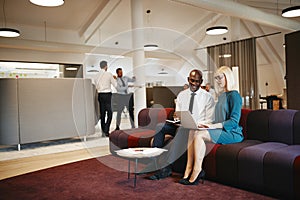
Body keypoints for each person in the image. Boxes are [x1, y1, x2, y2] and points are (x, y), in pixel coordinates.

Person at [179, 66, 244, 185]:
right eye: (216, 78)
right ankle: (188, 168)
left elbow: (234, 121)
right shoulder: (222, 95)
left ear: (228, 77)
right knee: (193, 130)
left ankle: (197, 170)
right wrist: (205, 124)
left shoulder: (234, 96)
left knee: (199, 136)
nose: (218, 81)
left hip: (232, 133)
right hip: (221, 129)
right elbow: (217, 118)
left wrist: (212, 127)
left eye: (220, 77)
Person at [146, 69, 215, 180]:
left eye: (197, 81)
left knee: (182, 130)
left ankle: (166, 168)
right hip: (181, 125)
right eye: (192, 80)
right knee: (160, 126)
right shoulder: (182, 95)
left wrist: (197, 123)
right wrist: (177, 117)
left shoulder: (208, 97)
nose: (194, 84)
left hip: (195, 128)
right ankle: (154, 161)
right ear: (188, 80)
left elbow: (210, 120)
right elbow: (178, 113)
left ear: (201, 82)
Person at [93, 60, 117, 137]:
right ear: (106, 66)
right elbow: (115, 85)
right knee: (110, 113)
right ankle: (106, 130)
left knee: (102, 113)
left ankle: (103, 131)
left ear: (100, 66)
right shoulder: (109, 74)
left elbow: (95, 86)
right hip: (107, 95)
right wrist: (115, 79)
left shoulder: (96, 75)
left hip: (100, 95)